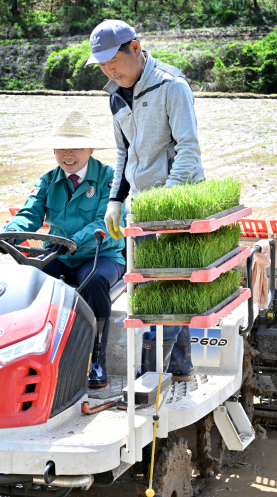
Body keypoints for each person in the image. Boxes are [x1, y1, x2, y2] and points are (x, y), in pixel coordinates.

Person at [87, 19, 204, 381]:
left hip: (178, 203)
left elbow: (188, 150)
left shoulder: (172, 86)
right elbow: (124, 154)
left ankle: (145, 377)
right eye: (103, 65)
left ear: (135, 48)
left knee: (164, 292)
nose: (109, 70)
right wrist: (115, 200)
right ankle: (182, 367)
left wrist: (167, 202)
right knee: (155, 286)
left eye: (114, 61)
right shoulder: (115, 94)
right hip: (141, 203)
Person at [0, 111, 125, 389]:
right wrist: (10, 233)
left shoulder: (110, 179)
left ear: (90, 149)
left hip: (101, 255)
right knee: (28, 277)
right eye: (62, 147)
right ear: (54, 150)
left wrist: (75, 241)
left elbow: (102, 220)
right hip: (58, 254)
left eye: (76, 147)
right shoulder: (48, 180)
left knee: (94, 281)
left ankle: (96, 358)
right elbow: (28, 214)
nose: (68, 154)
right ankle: (27, 353)